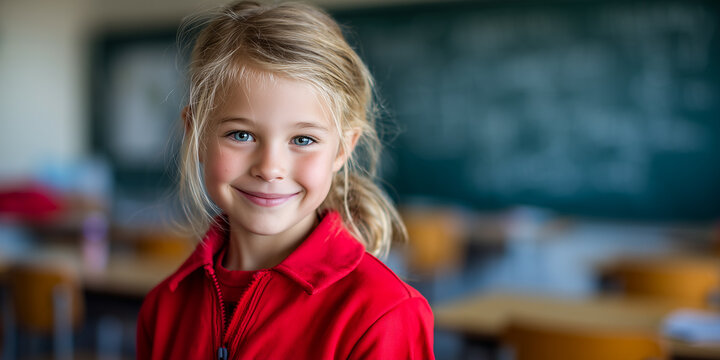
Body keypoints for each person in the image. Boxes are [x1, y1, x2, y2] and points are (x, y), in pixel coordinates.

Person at [136, 1, 434, 359]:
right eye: (241, 135)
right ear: (196, 135)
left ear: (342, 149)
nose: (270, 167)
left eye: (303, 140)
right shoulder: (164, 307)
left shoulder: (381, 315)